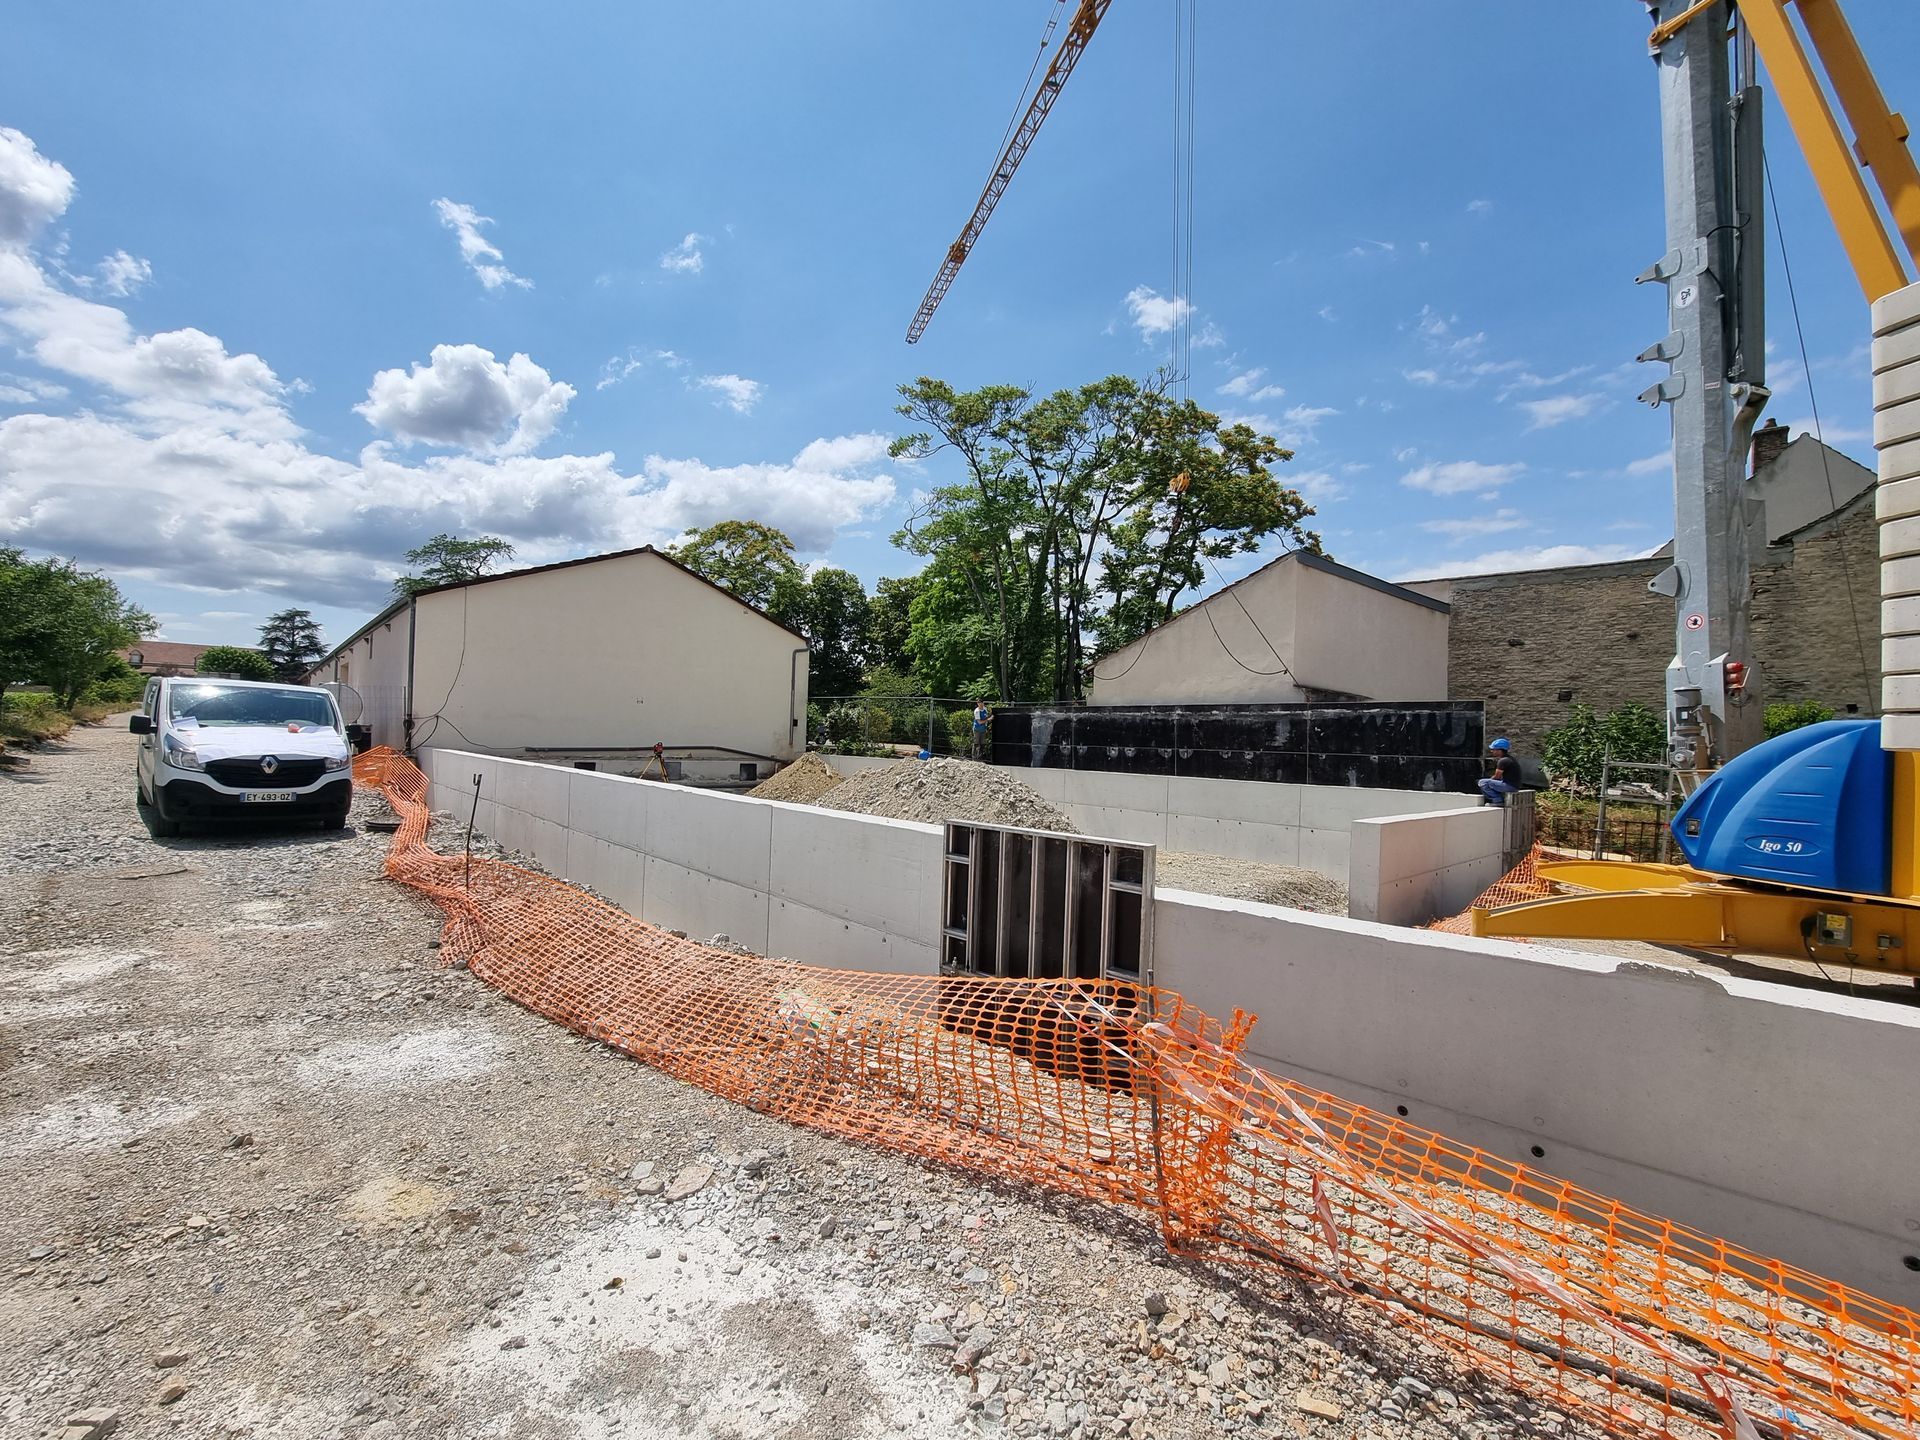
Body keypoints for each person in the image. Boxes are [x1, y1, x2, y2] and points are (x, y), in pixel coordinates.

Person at [1478, 737, 1524, 806]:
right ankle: (1499, 799)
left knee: (1482, 782)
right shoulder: (1509, 759)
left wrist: (1489, 781)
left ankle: (1498, 801)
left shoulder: (1503, 761)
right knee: (1488, 782)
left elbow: (1497, 777)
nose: (1491, 751)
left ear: (1500, 750)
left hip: (1509, 786)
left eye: (1493, 749)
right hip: (1514, 786)